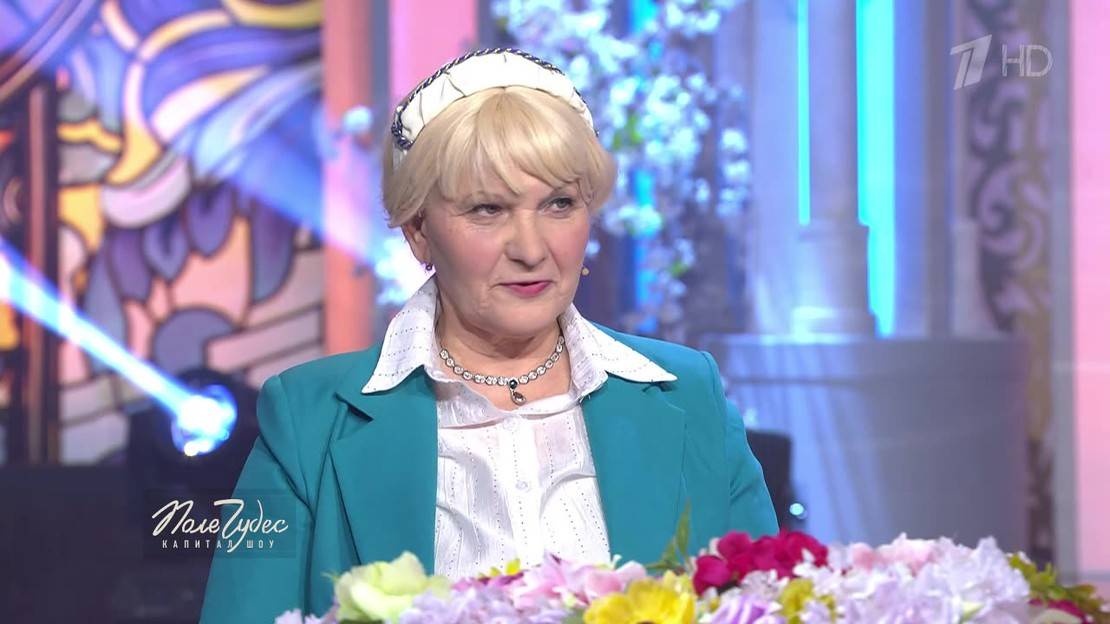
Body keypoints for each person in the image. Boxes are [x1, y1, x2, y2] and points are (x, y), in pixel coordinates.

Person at [199, 48, 776, 622]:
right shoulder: (308, 419)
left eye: (559, 204)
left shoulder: (690, 394)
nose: (531, 248)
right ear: (419, 231)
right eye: (487, 210)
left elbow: (767, 606)